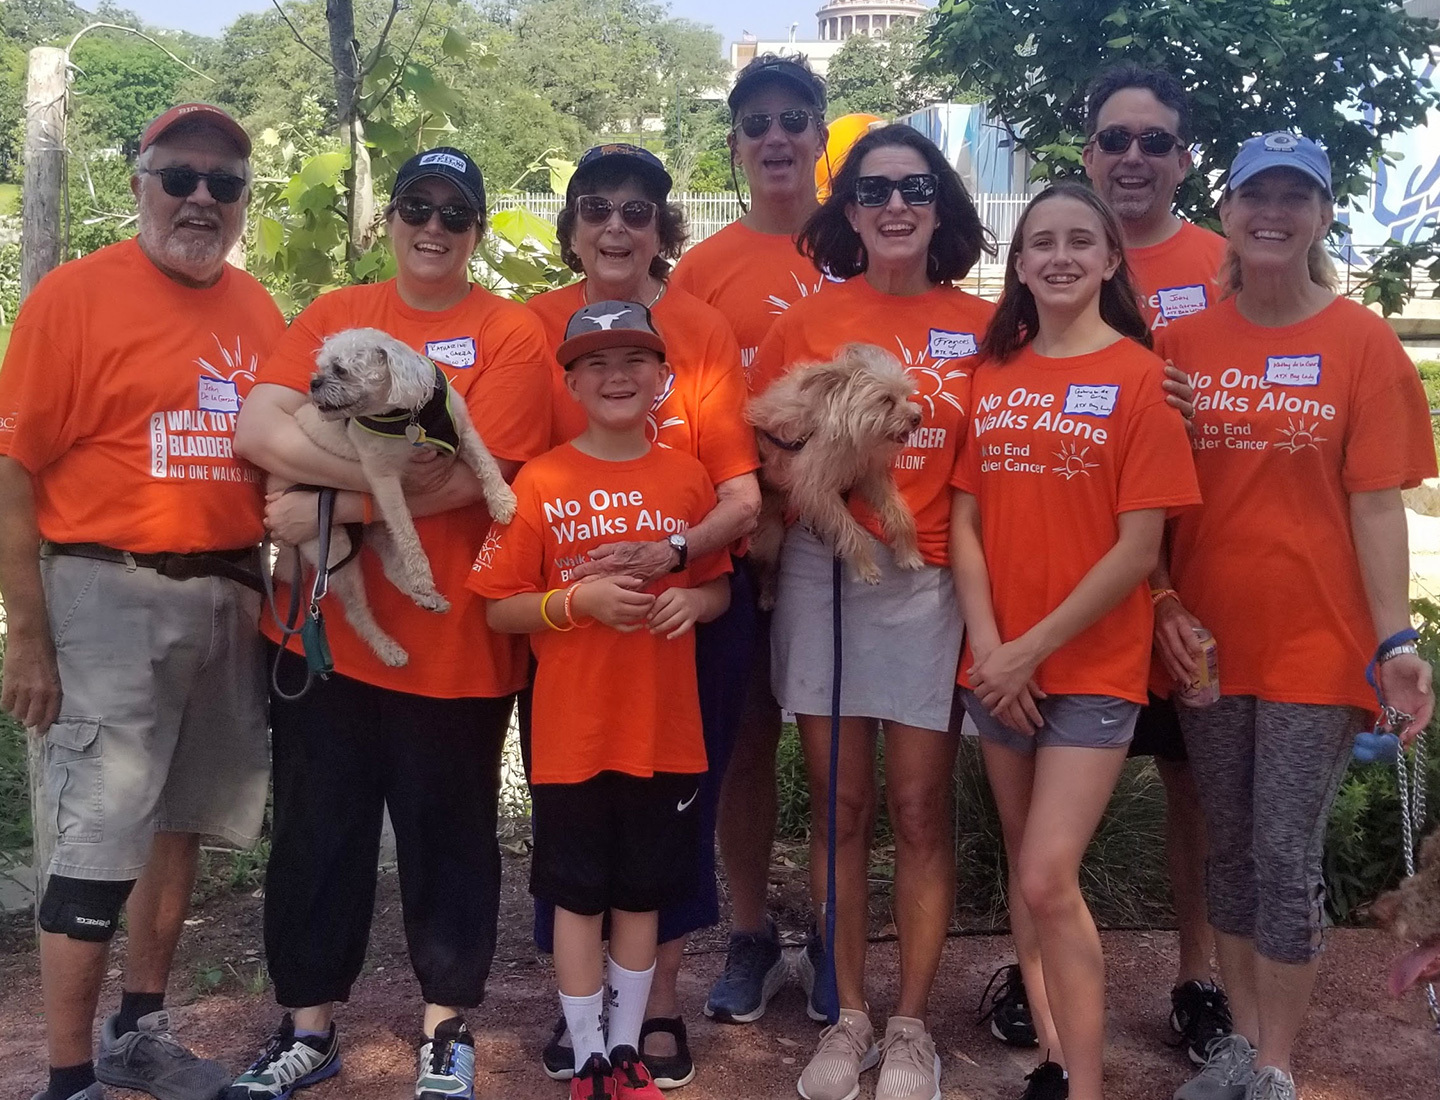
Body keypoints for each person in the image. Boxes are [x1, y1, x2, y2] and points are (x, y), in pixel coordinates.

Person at [224, 148, 552, 1100]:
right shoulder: (336, 315)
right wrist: (350, 493)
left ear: (478, 229)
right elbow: (258, 429)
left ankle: (445, 1034)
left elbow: (468, 476)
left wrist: (333, 506)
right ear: (394, 217)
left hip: (457, 648)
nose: (435, 225)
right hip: (324, 636)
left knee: (449, 840)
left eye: (457, 211)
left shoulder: (511, 333)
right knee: (316, 837)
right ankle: (308, 1027)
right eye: (418, 204)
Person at [0, 104, 282, 1100]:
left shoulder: (258, 311)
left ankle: (139, 1029)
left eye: (225, 183)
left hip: (230, 595)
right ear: (140, 184)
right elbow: (13, 466)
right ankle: (69, 1074)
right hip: (106, 591)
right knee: (95, 834)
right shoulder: (74, 299)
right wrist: (26, 631)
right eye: (181, 177)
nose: (202, 198)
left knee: (180, 822)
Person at [1157, 133, 1435, 1100]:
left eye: (1296, 197)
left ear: (1321, 216)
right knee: (1228, 848)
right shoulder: (1181, 349)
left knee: (1283, 851)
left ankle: (1276, 1062)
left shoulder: (1361, 343)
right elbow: (1150, 499)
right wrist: (1161, 602)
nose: (1272, 212)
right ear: (1227, 212)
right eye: (1255, 195)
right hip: (1207, 643)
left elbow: (1374, 505)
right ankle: (1237, 1043)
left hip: (1320, 646)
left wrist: (1395, 640)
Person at [974, 62, 1233, 1063]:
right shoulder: (1020, 333)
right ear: (1089, 152)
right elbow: (980, 482)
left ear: (1179, 156)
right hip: (1094, 579)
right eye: (1114, 139)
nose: (1133, 155)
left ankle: (1197, 973)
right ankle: (1050, 1010)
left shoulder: (1224, 259)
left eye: (1153, 141)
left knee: (1189, 786)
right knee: (1038, 841)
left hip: (1175, 574)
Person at [748, 123, 994, 1100]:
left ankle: (911, 1026)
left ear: (942, 209)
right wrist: (806, 480)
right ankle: (847, 1014)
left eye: (916, 188)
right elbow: (761, 433)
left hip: (928, 578)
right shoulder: (808, 321)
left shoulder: (984, 325)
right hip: (825, 572)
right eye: (875, 189)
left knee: (922, 807)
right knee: (840, 805)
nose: (895, 204)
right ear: (848, 209)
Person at [951, 182, 1201, 1100]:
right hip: (999, 667)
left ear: (1108, 260)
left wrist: (1029, 648)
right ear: (1018, 264)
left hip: (1091, 669)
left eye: (1079, 241)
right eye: (1040, 242)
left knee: (1052, 874)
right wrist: (991, 649)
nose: (1059, 256)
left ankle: (1088, 1084)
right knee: (1026, 872)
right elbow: (966, 527)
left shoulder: (1140, 377)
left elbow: (1139, 549)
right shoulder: (994, 373)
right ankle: (1054, 1058)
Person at [525, 143, 760, 1088]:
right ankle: (580, 1015)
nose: (615, 226)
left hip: (687, 611)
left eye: (636, 210)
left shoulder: (701, 329)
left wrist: (679, 563)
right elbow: (507, 472)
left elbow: (741, 495)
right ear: (573, 225)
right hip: (572, 619)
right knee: (575, 813)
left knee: (675, 812)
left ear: (665, 228)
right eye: (595, 208)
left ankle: (651, 1005)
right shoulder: (529, 325)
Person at [475, 300, 733, 1100]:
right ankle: (587, 1052)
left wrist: (695, 604)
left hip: (663, 733)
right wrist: (574, 604)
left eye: (634, 362)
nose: (616, 377)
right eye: (595, 364)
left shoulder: (688, 479)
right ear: (570, 382)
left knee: (643, 892)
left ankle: (626, 1050)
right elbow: (498, 605)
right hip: (572, 734)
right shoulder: (542, 480)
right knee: (577, 894)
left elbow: (716, 588)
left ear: (664, 378)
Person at [670, 51, 835, 1028]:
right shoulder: (703, 269)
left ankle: (828, 928)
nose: (775, 136)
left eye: (793, 119)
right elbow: (687, 417)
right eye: (757, 122)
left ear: (820, 134)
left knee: (831, 754)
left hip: (833, 545)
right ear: (735, 145)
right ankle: (747, 929)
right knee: (739, 745)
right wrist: (749, 525)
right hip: (735, 542)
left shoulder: (860, 246)